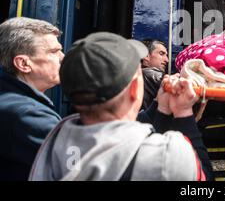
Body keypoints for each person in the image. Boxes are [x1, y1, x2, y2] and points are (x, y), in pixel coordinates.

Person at [29, 32, 211, 181]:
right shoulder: (167, 158)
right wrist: (184, 113)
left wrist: (161, 108)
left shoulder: (54, 140)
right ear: (134, 89)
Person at [0, 17, 63, 180]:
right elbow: (83, 164)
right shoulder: (27, 115)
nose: (62, 57)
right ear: (23, 64)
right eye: (54, 52)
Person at [140, 39, 168, 110]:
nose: (166, 60)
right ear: (146, 56)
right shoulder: (151, 74)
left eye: (166, 55)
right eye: (161, 54)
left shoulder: (138, 73)